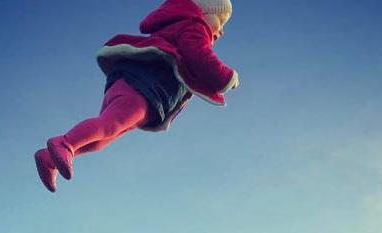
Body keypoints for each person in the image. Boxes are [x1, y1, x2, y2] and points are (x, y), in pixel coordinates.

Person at [35, 0, 239, 192]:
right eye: (220, 21)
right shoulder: (194, 26)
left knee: (102, 138)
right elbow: (200, 57)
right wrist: (227, 78)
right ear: (202, 11)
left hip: (138, 86)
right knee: (110, 125)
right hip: (144, 86)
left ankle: (49, 158)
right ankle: (65, 143)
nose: (221, 31)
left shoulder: (179, 27)